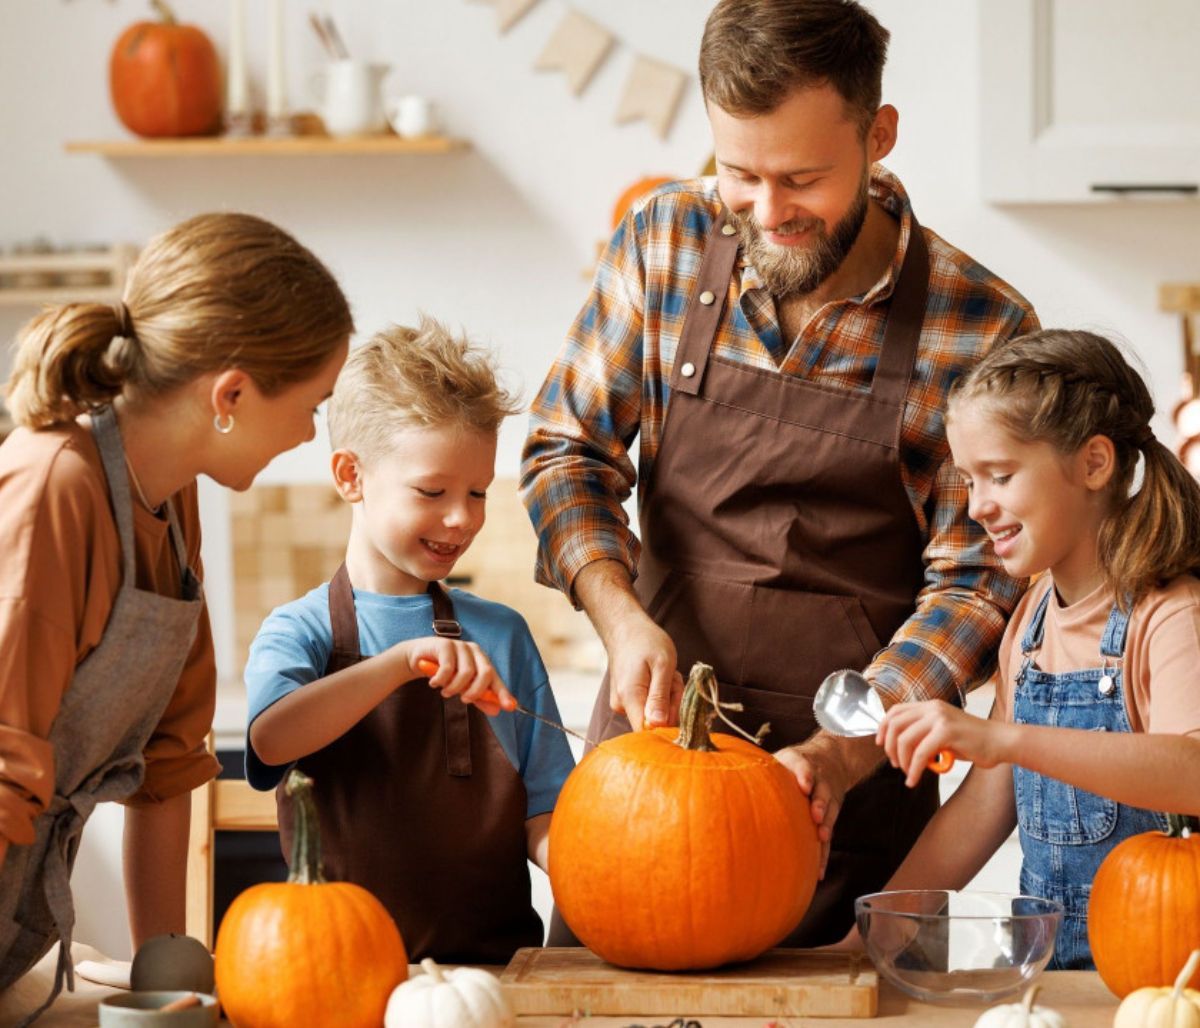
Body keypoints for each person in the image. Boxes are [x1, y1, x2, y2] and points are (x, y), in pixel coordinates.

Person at [520, 0, 1040, 945]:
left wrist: (842, 755)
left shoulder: (983, 326)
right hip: (651, 771)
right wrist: (620, 615)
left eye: (802, 177)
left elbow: (975, 585)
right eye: (739, 174)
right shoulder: (664, 241)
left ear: (878, 136)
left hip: (850, 792)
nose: (768, 213)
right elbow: (567, 452)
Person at [0, 212, 352, 1017]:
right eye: (311, 404)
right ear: (229, 394)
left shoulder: (174, 491)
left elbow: (169, 762)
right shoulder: (56, 486)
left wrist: (169, 985)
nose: (308, 434)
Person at [243, 319, 576, 964]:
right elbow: (270, 739)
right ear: (351, 476)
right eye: (432, 491)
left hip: (490, 982)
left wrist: (598, 882)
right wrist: (399, 664)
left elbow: (548, 813)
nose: (463, 517)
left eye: (478, 491)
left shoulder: (501, 634)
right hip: (337, 984)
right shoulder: (299, 630)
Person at [869, 328, 1200, 969]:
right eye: (970, 480)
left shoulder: (1170, 614)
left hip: (1164, 990)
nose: (979, 506)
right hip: (1053, 981)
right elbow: (983, 807)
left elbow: (1191, 771)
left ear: (1094, 464)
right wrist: (878, 930)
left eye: (1000, 476)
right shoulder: (1032, 622)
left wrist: (1004, 740)